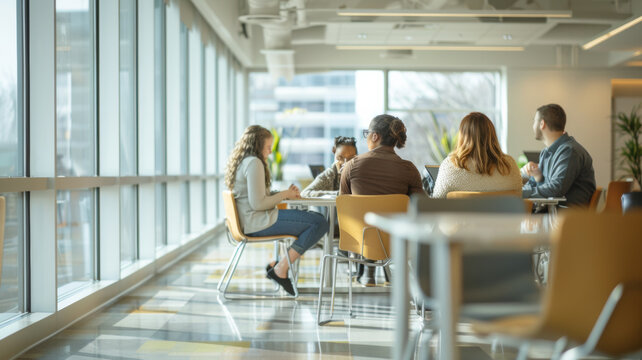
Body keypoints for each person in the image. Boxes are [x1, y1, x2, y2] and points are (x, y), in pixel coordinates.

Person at [225, 125, 329, 295]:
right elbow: (258, 204)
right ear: (258, 145)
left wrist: (283, 194)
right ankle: (281, 268)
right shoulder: (254, 163)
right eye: (268, 148)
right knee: (319, 222)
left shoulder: (245, 161)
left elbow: (257, 196)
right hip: (258, 222)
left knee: (315, 219)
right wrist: (284, 194)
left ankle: (279, 265)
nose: (270, 152)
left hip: (252, 221)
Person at [340, 114, 424, 285]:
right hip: (397, 242)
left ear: (375, 136)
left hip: (359, 241)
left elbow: (344, 204)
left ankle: (368, 272)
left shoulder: (351, 166)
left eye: (367, 133)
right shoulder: (408, 169)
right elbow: (421, 206)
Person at [432, 112, 522, 198]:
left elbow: (435, 204)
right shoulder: (510, 166)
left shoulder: (450, 166)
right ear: (492, 135)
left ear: (462, 137)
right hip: (500, 214)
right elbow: (519, 200)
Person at [521, 104, 596, 206]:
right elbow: (534, 184)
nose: (533, 125)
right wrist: (538, 177)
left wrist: (519, 193)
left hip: (569, 217)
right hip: (551, 212)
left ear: (542, 124)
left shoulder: (569, 151)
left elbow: (556, 189)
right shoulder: (546, 153)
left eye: (534, 121)